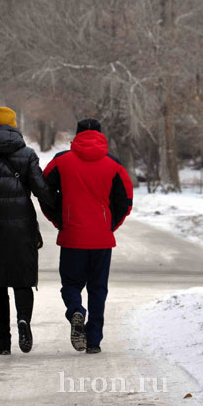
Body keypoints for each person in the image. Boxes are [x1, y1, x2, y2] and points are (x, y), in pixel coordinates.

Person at [0, 107, 56, 355]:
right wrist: (60, 208)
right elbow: (41, 190)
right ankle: (23, 319)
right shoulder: (27, 155)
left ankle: (3, 342)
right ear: (14, 126)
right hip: (22, 228)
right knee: (22, 280)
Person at [41, 118, 133, 354]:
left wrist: (59, 220)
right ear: (101, 135)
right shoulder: (114, 164)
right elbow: (126, 200)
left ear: (77, 134)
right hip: (101, 239)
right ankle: (93, 341)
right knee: (98, 288)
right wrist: (110, 225)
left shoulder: (61, 162)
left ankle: (75, 311)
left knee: (71, 284)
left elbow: (43, 191)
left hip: (72, 236)